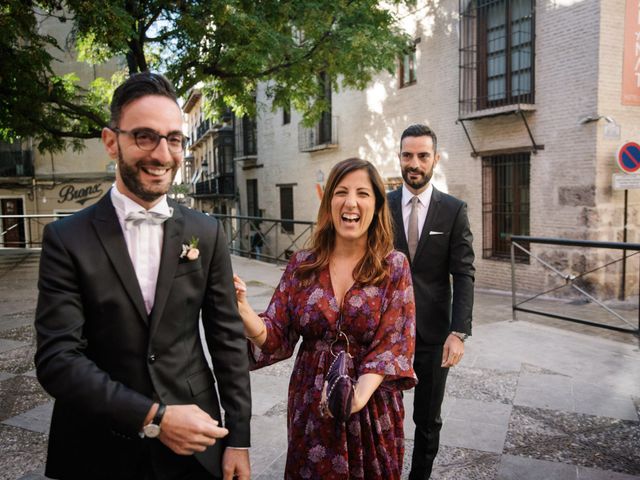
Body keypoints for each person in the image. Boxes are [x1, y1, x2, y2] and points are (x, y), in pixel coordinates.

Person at [34, 72, 251, 480]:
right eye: (145, 137)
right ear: (111, 141)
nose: (163, 154)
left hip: (197, 444)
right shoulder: (66, 238)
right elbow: (57, 360)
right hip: (98, 446)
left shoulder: (206, 231)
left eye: (173, 139)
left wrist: (239, 437)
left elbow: (226, 341)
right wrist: (155, 417)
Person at [234, 158, 417, 479]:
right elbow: (276, 334)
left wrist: (354, 397)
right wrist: (244, 311)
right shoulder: (302, 264)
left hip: (371, 405)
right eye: (341, 192)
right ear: (328, 200)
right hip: (310, 402)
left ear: (376, 204)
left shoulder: (394, 266)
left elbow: (393, 344)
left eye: (363, 193)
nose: (351, 202)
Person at [388, 124, 475, 479]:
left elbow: (464, 272)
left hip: (434, 335)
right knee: (381, 416)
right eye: (408, 155)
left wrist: (459, 332)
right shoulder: (381, 205)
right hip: (386, 332)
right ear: (400, 158)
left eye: (423, 155)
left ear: (435, 159)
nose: (415, 163)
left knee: (427, 420)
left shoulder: (453, 210)